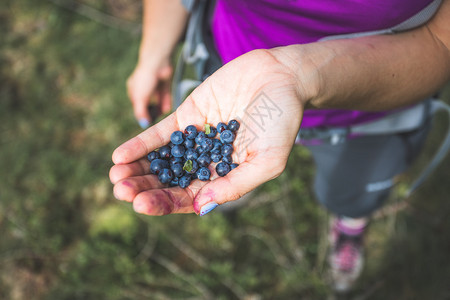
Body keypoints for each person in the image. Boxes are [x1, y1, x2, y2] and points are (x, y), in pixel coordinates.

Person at [110, 0, 450, 292]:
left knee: (349, 193)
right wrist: (153, 52)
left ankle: (350, 221)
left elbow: (442, 41)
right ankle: (229, 185)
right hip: (229, 80)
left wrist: (297, 76)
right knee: (229, 165)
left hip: (372, 113)